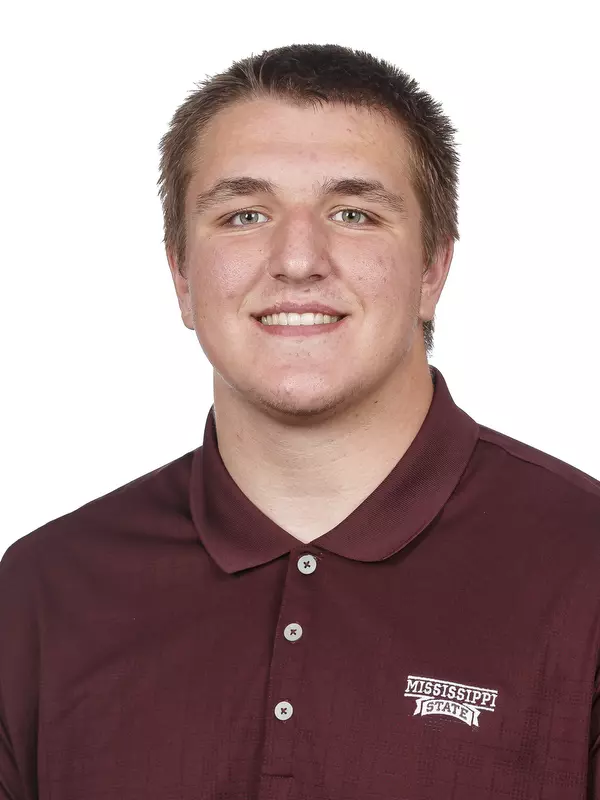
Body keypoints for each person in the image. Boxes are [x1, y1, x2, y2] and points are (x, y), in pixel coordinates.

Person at [1, 42, 599, 800]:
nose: (297, 259)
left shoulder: (586, 569)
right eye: (244, 214)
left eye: (353, 213)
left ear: (432, 270)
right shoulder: (43, 594)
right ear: (181, 277)